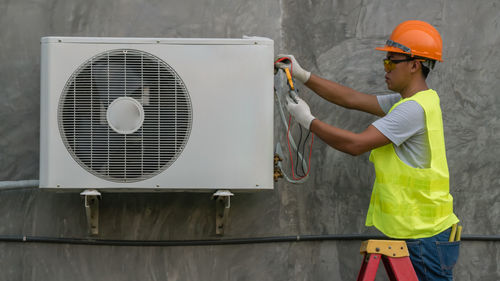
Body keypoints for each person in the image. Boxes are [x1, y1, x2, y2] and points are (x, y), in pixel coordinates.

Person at [276, 20, 460, 280]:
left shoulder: (411, 110)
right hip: (426, 233)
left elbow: (356, 144)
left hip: (425, 238)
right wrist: (303, 75)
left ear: (414, 65)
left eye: (390, 62)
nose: (384, 68)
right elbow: (351, 99)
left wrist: (309, 122)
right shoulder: (415, 101)